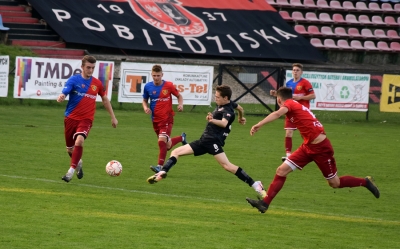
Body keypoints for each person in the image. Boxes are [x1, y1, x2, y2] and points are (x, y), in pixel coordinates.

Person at [245, 87, 380, 213]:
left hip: (321, 148)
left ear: (279, 100)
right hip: (308, 146)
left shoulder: (290, 104)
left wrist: (259, 124)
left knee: (334, 183)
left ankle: (365, 182)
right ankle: (265, 204)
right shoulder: (294, 105)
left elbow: (277, 113)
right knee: (281, 170)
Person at [146, 85, 267, 198]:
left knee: (227, 166)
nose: (216, 98)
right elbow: (240, 108)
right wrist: (241, 118)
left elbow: (224, 123)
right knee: (176, 152)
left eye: (218, 97)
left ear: (226, 98)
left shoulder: (228, 111)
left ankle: (255, 184)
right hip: (204, 141)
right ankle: (162, 173)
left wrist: (212, 119)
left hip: (213, 142)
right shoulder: (230, 103)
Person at [57, 55, 118, 182]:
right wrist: (62, 95)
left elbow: (105, 99)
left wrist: (113, 117)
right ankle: (78, 163)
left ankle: (70, 172)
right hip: (70, 118)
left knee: (79, 141)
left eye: (93, 68)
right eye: (88, 67)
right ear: (82, 67)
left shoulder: (97, 83)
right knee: (70, 149)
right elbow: (66, 90)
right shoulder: (74, 80)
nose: (90, 70)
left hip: (86, 119)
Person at [142, 64, 187, 173]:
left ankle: (160, 167)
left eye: (158, 75)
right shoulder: (148, 87)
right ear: (151, 75)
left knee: (161, 141)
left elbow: (179, 96)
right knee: (167, 146)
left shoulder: (169, 86)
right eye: (154, 75)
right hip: (155, 120)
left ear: (162, 75)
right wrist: (145, 107)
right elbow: (144, 100)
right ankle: (182, 138)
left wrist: (180, 105)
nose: (156, 78)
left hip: (167, 119)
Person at [270, 63, 315, 161]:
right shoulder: (289, 83)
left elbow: (313, 96)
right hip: (291, 111)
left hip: (302, 113)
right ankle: (288, 156)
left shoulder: (305, 83)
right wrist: (276, 94)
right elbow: (285, 97)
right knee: (288, 133)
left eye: (297, 70)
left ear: (301, 72)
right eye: (294, 70)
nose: (295, 72)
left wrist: (301, 97)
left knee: (305, 134)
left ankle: (311, 152)